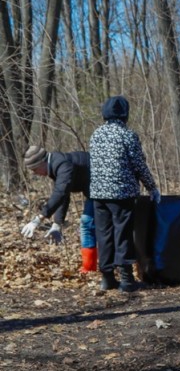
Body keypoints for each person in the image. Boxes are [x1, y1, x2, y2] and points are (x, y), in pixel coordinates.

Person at [89, 95, 160, 293]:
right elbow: (139, 165)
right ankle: (127, 280)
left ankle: (107, 277)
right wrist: (152, 187)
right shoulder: (127, 135)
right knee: (123, 233)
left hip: (98, 194)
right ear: (125, 114)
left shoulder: (95, 135)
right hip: (121, 193)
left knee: (104, 235)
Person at [21, 145, 98, 273]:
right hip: (96, 192)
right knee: (88, 224)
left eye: (34, 170)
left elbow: (61, 193)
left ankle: (99, 268)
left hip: (105, 191)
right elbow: (64, 194)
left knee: (89, 224)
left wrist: (39, 218)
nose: (35, 174)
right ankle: (90, 268)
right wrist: (57, 224)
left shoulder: (62, 164)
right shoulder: (56, 164)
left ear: (42, 162)